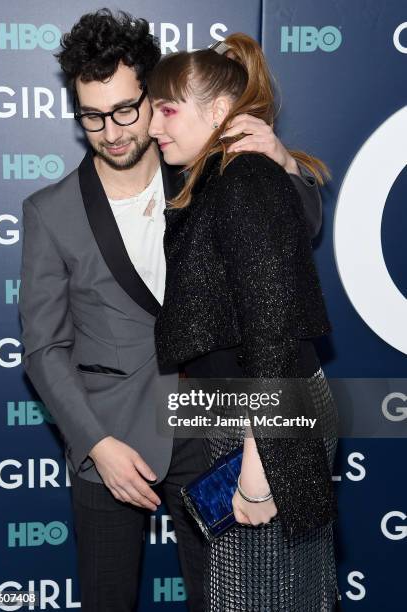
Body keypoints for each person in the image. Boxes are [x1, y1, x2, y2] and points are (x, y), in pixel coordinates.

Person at [19, 9, 326, 612]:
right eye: (91, 115)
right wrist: (95, 443)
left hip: (213, 432)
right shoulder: (49, 210)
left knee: (229, 599)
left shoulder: (205, 172)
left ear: (154, 99)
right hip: (109, 437)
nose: (110, 131)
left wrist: (284, 166)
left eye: (127, 109)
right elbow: (44, 347)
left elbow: (296, 235)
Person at [148, 33, 341, 611]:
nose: (155, 125)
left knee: (262, 594)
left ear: (221, 111)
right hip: (250, 412)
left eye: (168, 108)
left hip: (265, 419)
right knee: (275, 592)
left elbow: (274, 326)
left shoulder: (244, 180)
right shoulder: (220, 180)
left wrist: (262, 459)